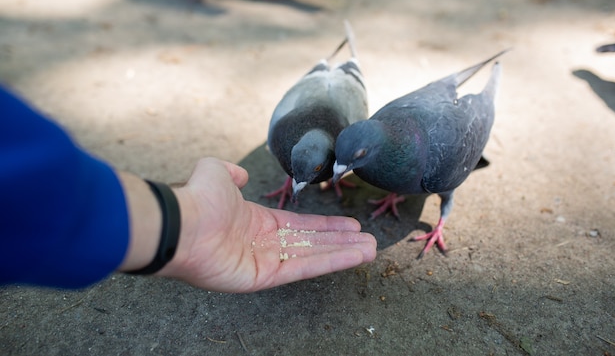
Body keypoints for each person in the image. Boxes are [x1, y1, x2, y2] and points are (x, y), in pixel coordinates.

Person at [0, 86, 377, 292]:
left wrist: (181, 227)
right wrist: (185, 225)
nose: (297, 186)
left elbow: (31, 177)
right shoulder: (285, 130)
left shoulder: (346, 133)